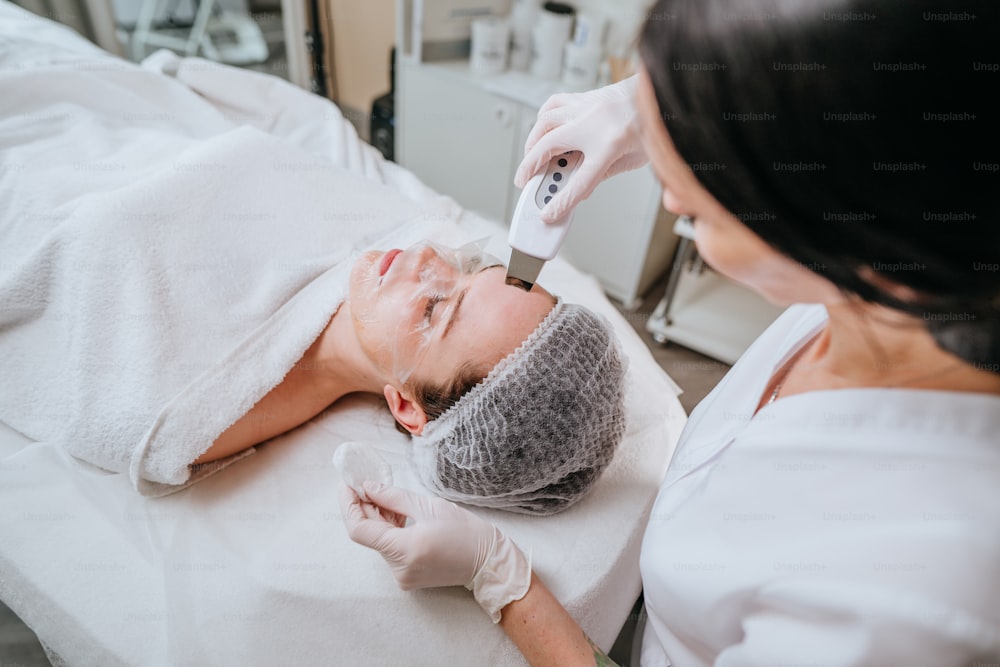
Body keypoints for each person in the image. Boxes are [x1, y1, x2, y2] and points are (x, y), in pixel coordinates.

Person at [341, 0, 1000, 664]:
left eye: (700, 197)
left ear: (843, 219)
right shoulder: (903, 285)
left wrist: (502, 579)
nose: (673, 198)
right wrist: (668, 100)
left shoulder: (915, 596)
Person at [196, 240, 628, 515]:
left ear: (407, 408)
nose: (425, 254)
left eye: (434, 308)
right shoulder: (392, 258)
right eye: (473, 267)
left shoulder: (209, 408)